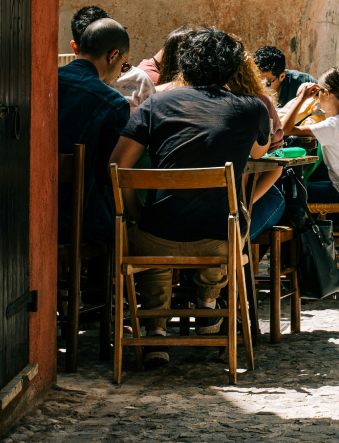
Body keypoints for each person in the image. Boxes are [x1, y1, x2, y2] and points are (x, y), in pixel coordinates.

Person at [109, 27, 271, 368]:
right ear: (232, 68)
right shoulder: (252, 108)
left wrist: (137, 212)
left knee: (156, 235)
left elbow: (117, 165)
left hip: (157, 236)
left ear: (185, 65)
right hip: (219, 241)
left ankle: (155, 330)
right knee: (232, 216)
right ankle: (209, 306)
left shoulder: (155, 103)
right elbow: (261, 150)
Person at [279, 67, 339, 277]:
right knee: (312, 187)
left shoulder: (332, 126)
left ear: (327, 94)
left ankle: (293, 264)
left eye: (319, 93)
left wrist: (301, 100)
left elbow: (285, 128)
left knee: (289, 194)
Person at [58, 19, 131, 246]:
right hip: (73, 218)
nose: (120, 74)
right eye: (124, 65)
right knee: (121, 228)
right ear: (113, 55)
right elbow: (107, 173)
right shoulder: (113, 103)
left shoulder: (39, 81)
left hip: (21, 207)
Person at [226, 52, 286, 241]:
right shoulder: (260, 102)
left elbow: (276, 161)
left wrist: (245, 203)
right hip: (227, 196)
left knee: (233, 239)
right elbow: (274, 157)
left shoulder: (261, 102)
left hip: (252, 192)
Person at [69, 5, 154, 112]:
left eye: (125, 66)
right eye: (89, 47)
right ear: (75, 48)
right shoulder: (117, 104)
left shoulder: (140, 82)